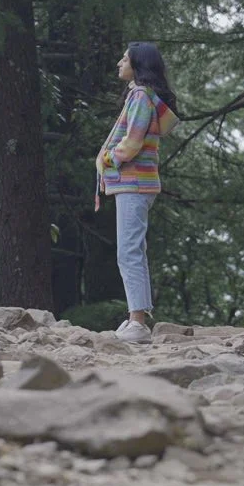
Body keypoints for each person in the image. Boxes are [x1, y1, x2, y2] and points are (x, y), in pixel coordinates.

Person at [95, 42, 180, 344]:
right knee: (133, 251)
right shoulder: (140, 95)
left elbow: (131, 144)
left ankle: (138, 323)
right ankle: (136, 319)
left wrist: (108, 159)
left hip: (134, 183)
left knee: (129, 252)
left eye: (125, 58)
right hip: (135, 184)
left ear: (138, 65)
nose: (119, 62)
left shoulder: (141, 97)